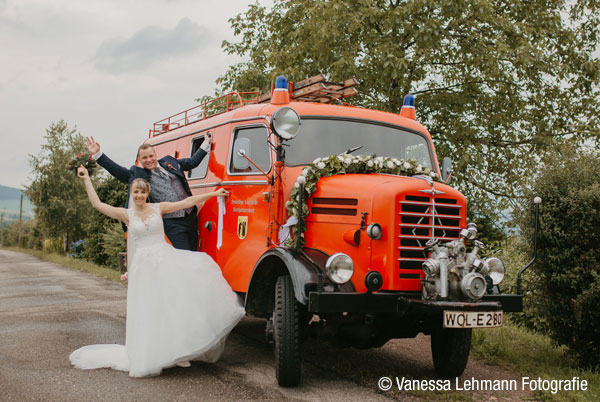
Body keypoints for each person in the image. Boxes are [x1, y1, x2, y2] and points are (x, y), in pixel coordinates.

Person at [69, 166, 245, 377]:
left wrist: (214, 194)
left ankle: (177, 351)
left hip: (166, 261)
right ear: (131, 194)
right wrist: (87, 178)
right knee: (150, 309)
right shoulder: (126, 214)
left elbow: (187, 202)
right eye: (136, 192)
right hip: (144, 269)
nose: (140, 195)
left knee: (171, 305)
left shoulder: (158, 208)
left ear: (147, 193)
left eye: (143, 192)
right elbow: (97, 204)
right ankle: (154, 352)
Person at [84, 135, 211, 251]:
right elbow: (117, 171)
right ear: (139, 160)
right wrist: (98, 155)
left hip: (191, 216)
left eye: (151, 156)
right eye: (144, 158)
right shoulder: (138, 173)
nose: (149, 160)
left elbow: (192, 162)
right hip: (172, 222)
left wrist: (206, 143)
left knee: (194, 253)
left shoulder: (170, 161)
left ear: (155, 155)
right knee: (184, 255)